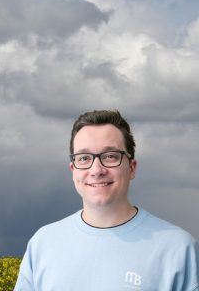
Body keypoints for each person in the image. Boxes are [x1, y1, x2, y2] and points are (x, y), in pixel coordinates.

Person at [14, 109, 199, 291]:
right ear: (73, 170)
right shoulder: (43, 244)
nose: (96, 170)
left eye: (110, 156)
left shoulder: (178, 249)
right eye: (84, 158)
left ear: (132, 168)